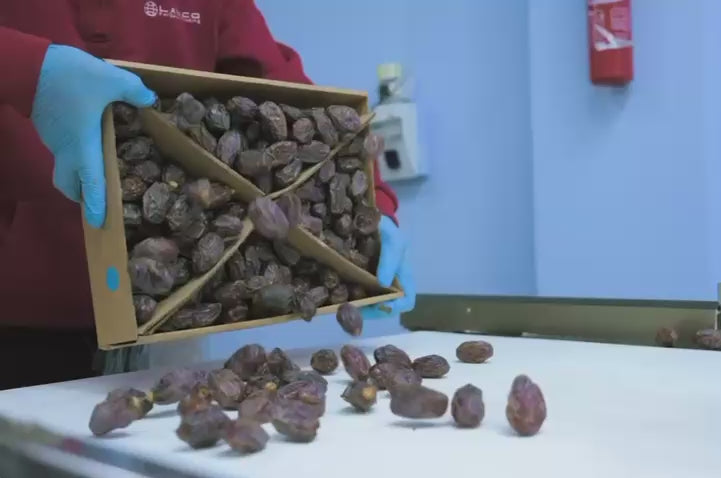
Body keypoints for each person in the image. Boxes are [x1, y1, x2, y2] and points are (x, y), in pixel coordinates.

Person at [0, 0, 415, 390]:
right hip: (15, 312)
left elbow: (283, 87)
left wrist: (375, 205)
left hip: (171, 317)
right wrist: (27, 69)